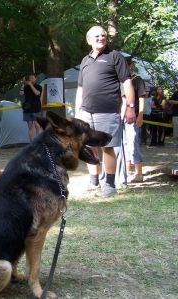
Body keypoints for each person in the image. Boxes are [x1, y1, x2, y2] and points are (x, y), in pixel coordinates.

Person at [75, 25, 136, 197]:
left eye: (103, 35)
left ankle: (109, 185)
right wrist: (78, 112)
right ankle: (94, 181)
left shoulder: (115, 56)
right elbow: (80, 88)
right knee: (87, 145)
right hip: (86, 113)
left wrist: (131, 107)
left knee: (107, 147)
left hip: (108, 112)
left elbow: (127, 83)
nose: (101, 38)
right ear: (89, 40)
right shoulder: (85, 60)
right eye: (97, 36)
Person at [121, 58, 146, 183]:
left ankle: (139, 172)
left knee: (133, 143)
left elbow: (141, 98)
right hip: (121, 117)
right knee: (124, 144)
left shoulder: (137, 79)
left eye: (127, 65)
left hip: (133, 116)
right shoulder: (119, 79)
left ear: (131, 65)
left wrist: (140, 115)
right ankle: (126, 170)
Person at [19, 73, 43, 141]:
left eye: (32, 78)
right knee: (30, 127)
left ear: (35, 79)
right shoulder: (26, 87)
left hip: (36, 108)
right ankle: (32, 143)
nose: (31, 79)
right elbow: (21, 93)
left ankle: (39, 142)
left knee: (37, 125)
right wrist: (23, 84)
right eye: (30, 78)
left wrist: (31, 85)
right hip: (27, 109)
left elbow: (37, 93)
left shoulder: (39, 86)